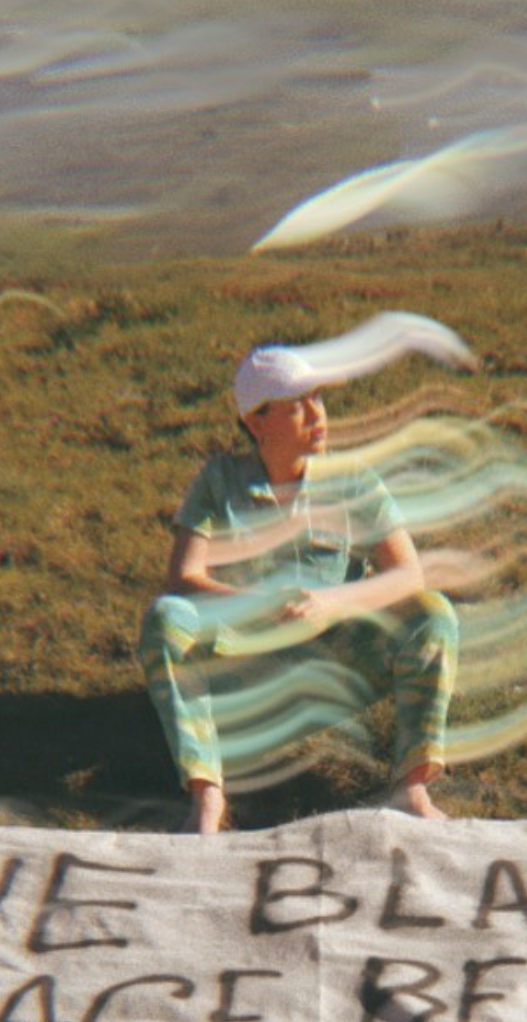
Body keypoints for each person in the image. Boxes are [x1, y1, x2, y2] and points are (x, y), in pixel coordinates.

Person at [140, 342, 458, 834]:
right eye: (296, 406)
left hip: (332, 668)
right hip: (245, 674)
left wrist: (331, 603)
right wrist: (260, 606)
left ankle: (411, 786)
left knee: (432, 613)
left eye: (318, 400)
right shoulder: (219, 482)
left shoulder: (352, 482)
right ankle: (207, 795)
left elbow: (408, 575)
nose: (316, 415)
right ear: (256, 422)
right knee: (166, 619)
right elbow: (184, 576)